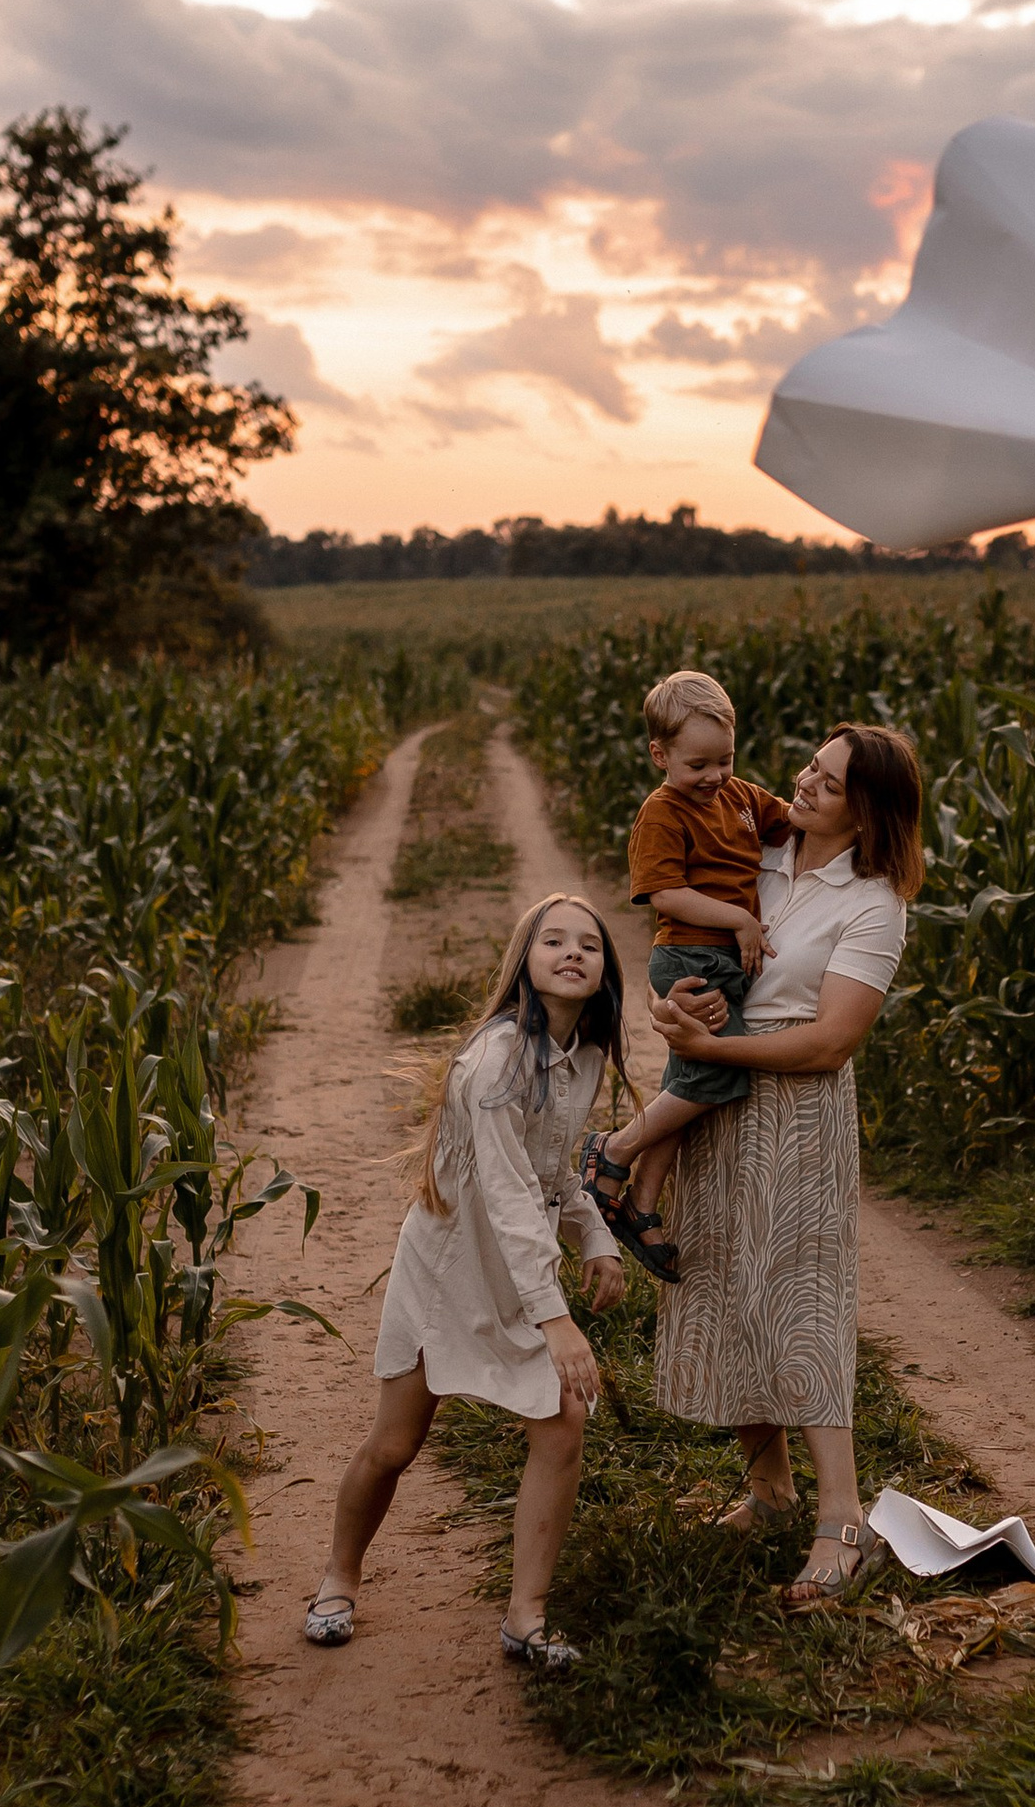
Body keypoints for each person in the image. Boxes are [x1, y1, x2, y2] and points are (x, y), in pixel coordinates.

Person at [307, 896, 629, 1671]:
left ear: (604, 974)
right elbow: (512, 1198)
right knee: (395, 1442)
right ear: (525, 958)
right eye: (553, 940)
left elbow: (552, 1172)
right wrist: (557, 1320)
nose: (572, 952)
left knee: (562, 1423)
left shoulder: (582, 1055)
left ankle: (526, 1615)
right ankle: (337, 1580)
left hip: (517, 1275)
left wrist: (596, 1235)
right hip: (450, 1272)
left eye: (589, 945)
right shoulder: (494, 1062)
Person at [645, 723, 924, 1606]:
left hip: (796, 1115)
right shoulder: (756, 848)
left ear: (867, 811)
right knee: (727, 1285)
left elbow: (831, 1042)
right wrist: (677, 1002)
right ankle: (769, 1492)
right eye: (811, 764)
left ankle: (841, 1519)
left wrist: (714, 1051)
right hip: (717, 1100)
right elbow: (688, 934)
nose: (803, 783)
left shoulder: (874, 903)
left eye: (830, 783)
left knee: (801, 1299)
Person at [579, 666, 792, 1283]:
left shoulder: (743, 798)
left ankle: (641, 1207)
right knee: (718, 1076)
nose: (714, 777)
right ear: (659, 754)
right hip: (692, 957)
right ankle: (612, 1149)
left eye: (724, 759)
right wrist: (741, 920)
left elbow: (797, 827)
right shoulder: (663, 813)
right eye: (697, 765)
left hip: (722, 958)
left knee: (687, 1077)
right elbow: (665, 893)